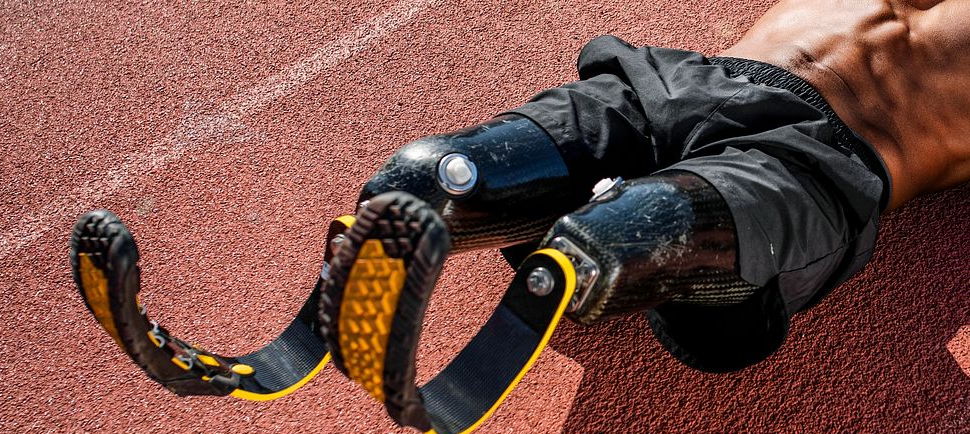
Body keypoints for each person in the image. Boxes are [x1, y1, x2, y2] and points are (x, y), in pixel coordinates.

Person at [328, 0, 969, 373]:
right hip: (814, 153)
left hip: (677, 85)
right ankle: (624, 239)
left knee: (434, 177)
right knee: (676, 232)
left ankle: (436, 188)